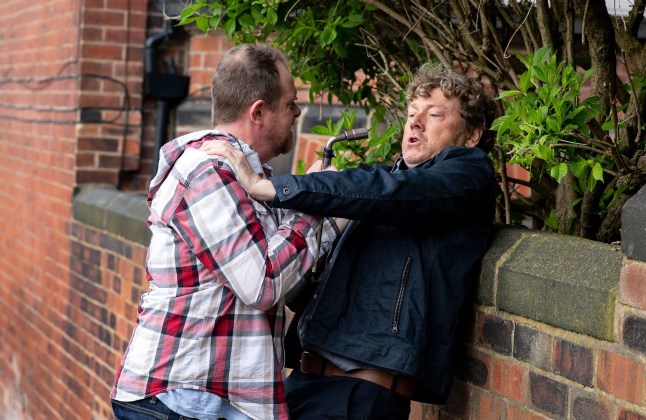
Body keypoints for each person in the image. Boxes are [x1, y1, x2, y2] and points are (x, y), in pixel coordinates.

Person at [201, 62, 498, 419]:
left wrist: (270, 186)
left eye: (434, 114)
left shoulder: (466, 176)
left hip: (358, 396)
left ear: (472, 134)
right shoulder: (385, 187)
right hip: (304, 382)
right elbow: (306, 292)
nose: (415, 124)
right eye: (410, 113)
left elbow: (393, 192)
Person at [110, 43, 343, 420]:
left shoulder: (248, 180)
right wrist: (319, 210)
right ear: (259, 111)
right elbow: (262, 283)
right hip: (181, 401)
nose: (299, 112)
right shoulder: (207, 173)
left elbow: (287, 278)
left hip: (206, 402)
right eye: (290, 102)